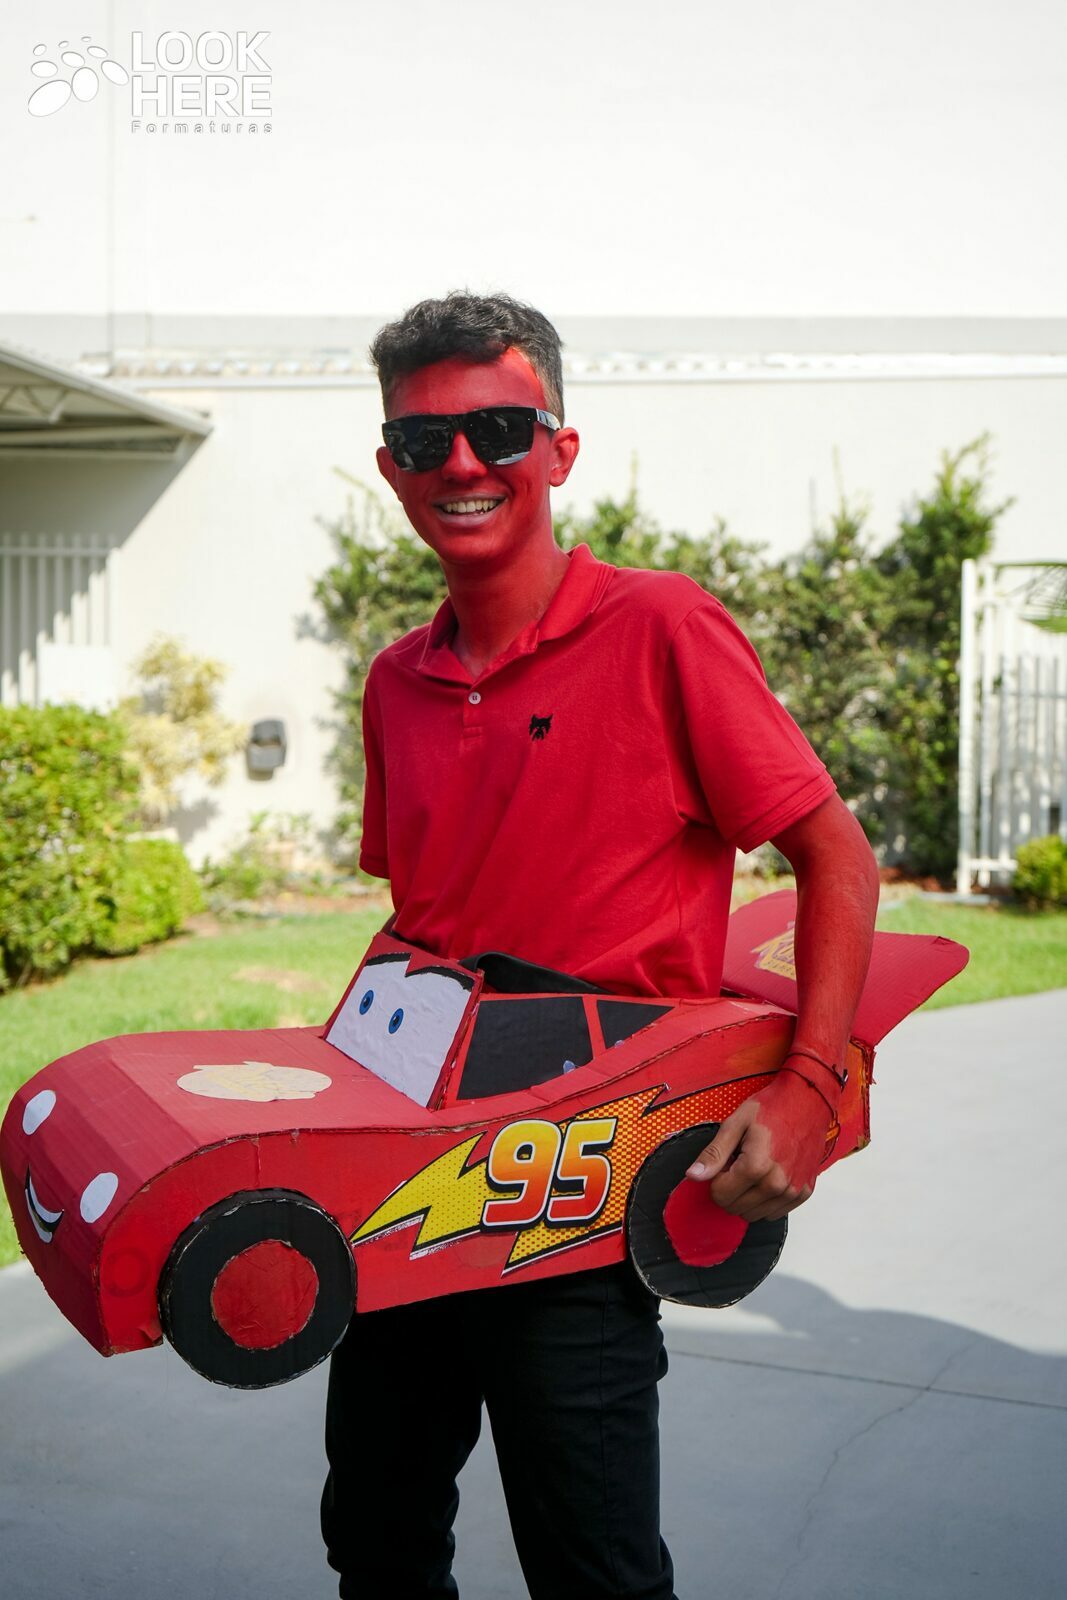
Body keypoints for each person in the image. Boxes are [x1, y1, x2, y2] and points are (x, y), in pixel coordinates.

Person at [320, 292, 880, 1600]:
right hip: (405, 1184)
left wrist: (810, 1086)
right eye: (425, 440)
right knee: (377, 1540)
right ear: (391, 466)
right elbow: (425, 921)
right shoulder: (397, 680)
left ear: (560, 450)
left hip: (577, 1186)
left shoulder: (663, 628)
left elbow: (837, 859)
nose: (463, 463)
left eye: (500, 429)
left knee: (594, 1570)